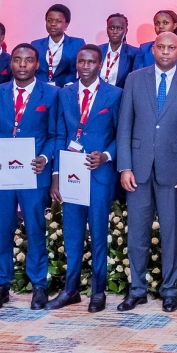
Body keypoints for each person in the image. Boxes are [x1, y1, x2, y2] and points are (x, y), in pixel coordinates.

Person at [116, 32, 177, 313]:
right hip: (137, 170)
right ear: (152, 50)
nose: (165, 52)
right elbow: (124, 126)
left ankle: (169, 290)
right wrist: (124, 166)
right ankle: (137, 289)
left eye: (171, 48)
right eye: (160, 47)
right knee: (136, 234)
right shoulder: (134, 79)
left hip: (173, 172)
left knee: (170, 233)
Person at [0, 43, 61, 311]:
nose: (23, 65)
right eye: (17, 60)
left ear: (37, 64)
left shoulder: (51, 95)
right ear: (10, 63)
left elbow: (53, 135)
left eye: (28, 60)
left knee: (36, 230)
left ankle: (39, 285)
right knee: (2, 230)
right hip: (2, 174)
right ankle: (1, 286)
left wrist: (46, 158)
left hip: (34, 174)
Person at [46, 44, 121, 313]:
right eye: (81, 62)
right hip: (70, 175)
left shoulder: (114, 95)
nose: (85, 67)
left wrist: (107, 156)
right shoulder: (64, 94)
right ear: (76, 64)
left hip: (99, 175)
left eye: (91, 62)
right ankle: (71, 290)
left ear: (100, 65)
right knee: (72, 234)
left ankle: (98, 291)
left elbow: (120, 135)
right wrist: (55, 175)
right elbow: (57, 135)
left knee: (99, 235)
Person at [31, 4, 86, 87]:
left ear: (66, 24)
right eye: (50, 20)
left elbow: (85, 70)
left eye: (58, 21)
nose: (53, 24)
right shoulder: (35, 45)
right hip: (41, 90)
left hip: (67, 90)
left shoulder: (77, 44)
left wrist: (73, 85)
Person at [99, 13, 139, 88]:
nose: (115, 32)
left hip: (120, 97)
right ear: (107, 30)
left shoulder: (134, 53)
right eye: (111, 28)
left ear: (126, 31)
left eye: (119, 28)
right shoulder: (98, 51)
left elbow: (135, 82)